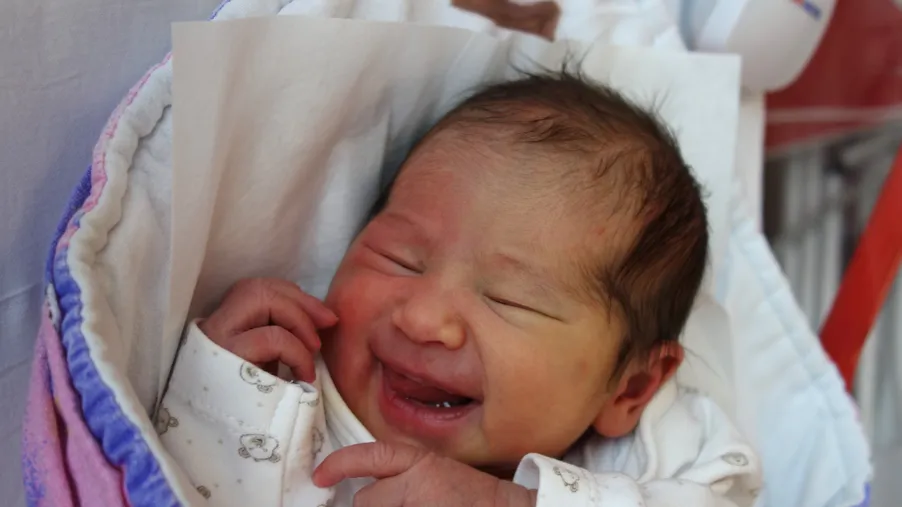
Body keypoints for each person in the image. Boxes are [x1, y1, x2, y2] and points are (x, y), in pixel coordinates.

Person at [156, 70, 761, 507]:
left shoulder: (662, 455)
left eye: (509, 298)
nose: (423, 318)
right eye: (400, 261)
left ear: (630, 386)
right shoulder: (282, 392)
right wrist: (216, 394)